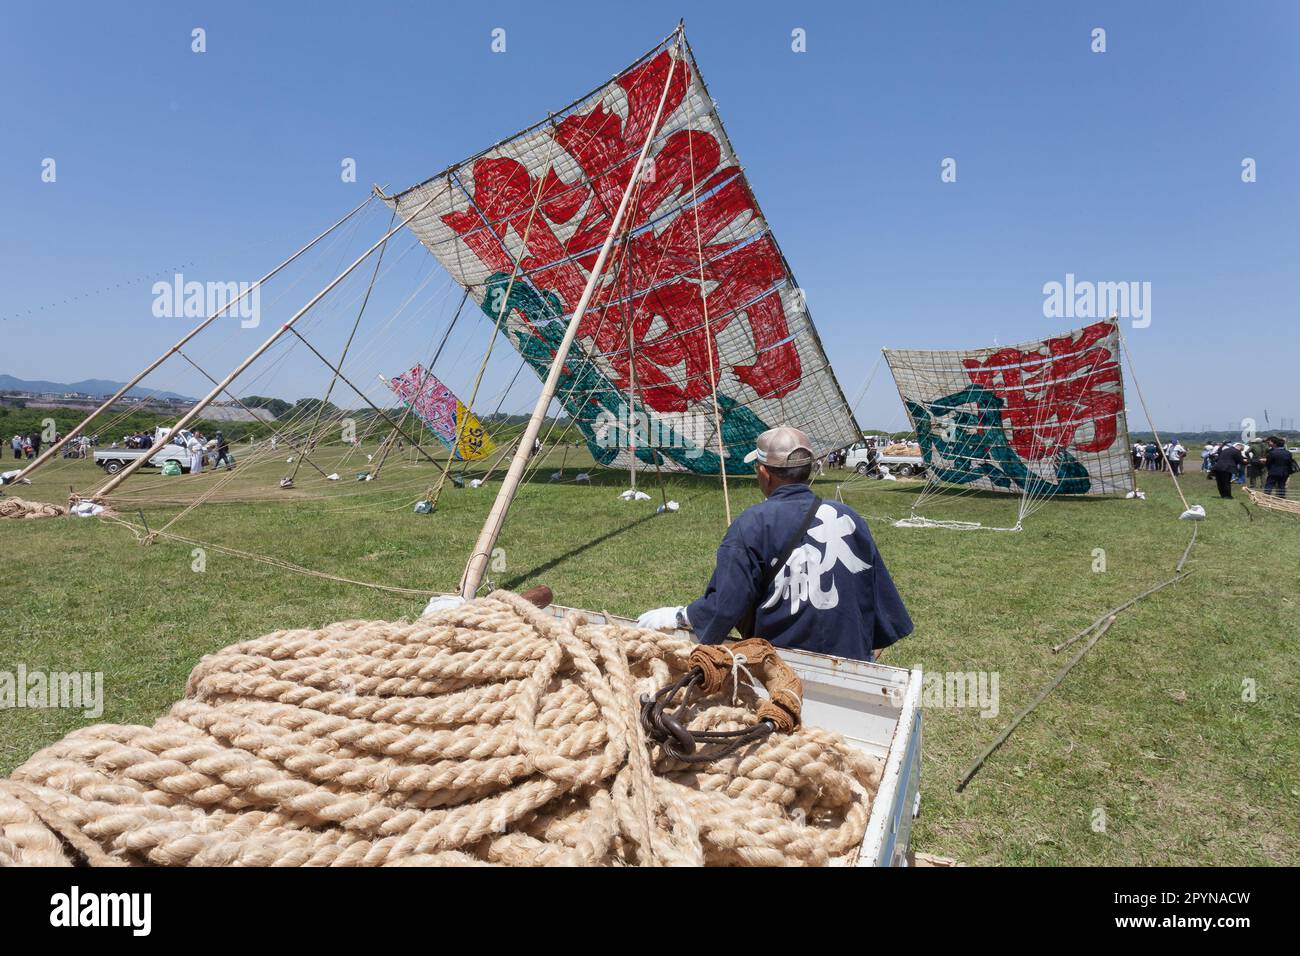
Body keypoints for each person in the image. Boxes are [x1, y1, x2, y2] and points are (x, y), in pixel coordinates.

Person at [636, 426, 913, 662]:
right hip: (853, 666)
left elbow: (724, 607)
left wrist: (679, 617)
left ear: (764, 473)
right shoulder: (850, 518)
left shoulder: (752, 524)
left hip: (780, 668)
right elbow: (882, 612)